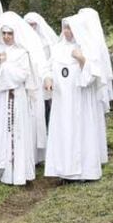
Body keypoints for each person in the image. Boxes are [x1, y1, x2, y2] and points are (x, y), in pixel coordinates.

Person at [44, 14, 105, 182]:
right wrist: (48, 79)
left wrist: (82, 59)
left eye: (70, 28)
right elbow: (48, 67)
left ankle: (82, 173)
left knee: (80, 133)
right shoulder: (57, 48)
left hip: (79, 100)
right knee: (62, 133)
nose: (67, 32)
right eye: (65, 28)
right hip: (61, 100)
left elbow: (93, 76)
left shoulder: (86, 48)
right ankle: (62, 170)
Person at [0, 12, 36, 186]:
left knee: (16, 130)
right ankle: (0, 168)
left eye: (10, 33)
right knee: (0, 130)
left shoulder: (22, 52)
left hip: (16, 96)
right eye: (4, 33)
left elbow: (23, 74)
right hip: (1, 98)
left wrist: (5, 65)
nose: (6, 37)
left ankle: (17, 170)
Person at [78, 8, 113, 165]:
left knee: (94, 118)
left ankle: (97, 152)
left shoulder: (95, 43)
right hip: (82, 89)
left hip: (93, 88)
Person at [24, 12, 59, 128]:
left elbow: (52, 59)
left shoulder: (46, 41)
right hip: (28, 77)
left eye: (33, 25)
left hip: (43, 77)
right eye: (28, 25)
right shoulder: (22, 40)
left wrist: (48, 76)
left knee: (45, 104)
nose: (31, 28)